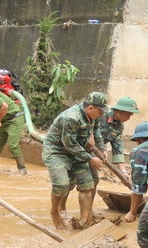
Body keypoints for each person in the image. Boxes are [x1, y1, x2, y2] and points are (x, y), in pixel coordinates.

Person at [58, 96, 140, 220]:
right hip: (77, 150)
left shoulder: (118, 127)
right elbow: (88, 132)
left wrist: (123, 172)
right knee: (71, 180)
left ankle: (88, 210)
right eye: (128, 114)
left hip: (95, 154)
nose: (129, 118)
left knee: (94, 180)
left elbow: (118, 148)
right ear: (120, 111)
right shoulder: (100, 114)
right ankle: (61, 208)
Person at [42, 92, 109, 229]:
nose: (102, 114)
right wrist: (90, 159)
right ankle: (55, 212)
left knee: (87, 185)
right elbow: (69, 144)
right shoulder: (72, 118)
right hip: (57, 152)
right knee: (61, 185)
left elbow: (96, 132)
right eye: (100, 111)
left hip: (78, 152)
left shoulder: (93, 116)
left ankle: (84, 220)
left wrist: (102, 149)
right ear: (90, 108)